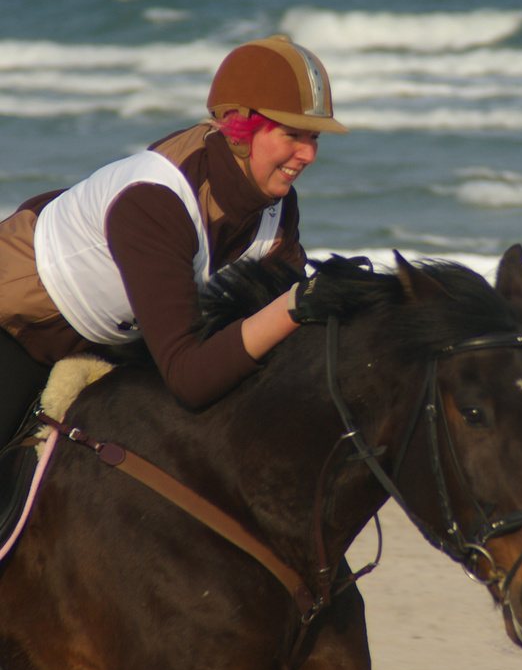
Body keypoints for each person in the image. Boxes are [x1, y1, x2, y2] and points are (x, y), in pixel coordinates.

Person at [0, 34, 347, 450]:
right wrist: (296, 305)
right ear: (239, 128)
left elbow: (277, 321)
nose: (308, 155)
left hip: (117, 343)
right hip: (22, 325)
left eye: (315, 138)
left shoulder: (276, 205)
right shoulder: (156, 201)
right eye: (294, 135)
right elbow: (190, 378)